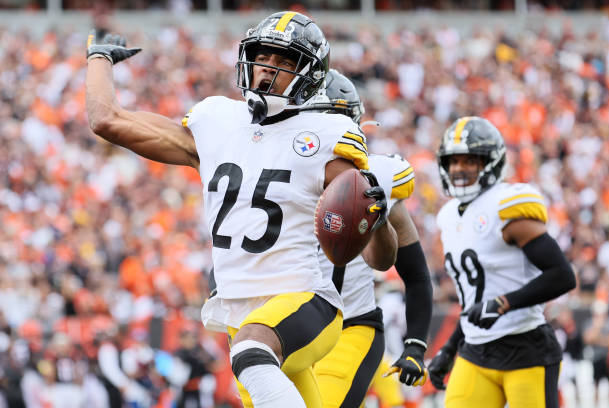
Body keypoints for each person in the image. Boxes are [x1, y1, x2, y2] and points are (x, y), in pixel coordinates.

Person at [85, 11, 394, 407]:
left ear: (311, 74)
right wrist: (99, 58)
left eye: (285, 62)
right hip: (239, 311)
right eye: (264, 57)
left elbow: (380, 258)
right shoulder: (217, 121)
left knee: (252, 351)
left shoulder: (325, 135)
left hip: (302, 299)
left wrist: (377, 218)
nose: (268, 70)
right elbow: (107, 120)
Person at [427, 117, 576, 408]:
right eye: (453, 161)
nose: (459, 169)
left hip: (526, 348)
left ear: (490, 163)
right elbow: (474, 298)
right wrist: (448, 348)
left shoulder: (506, 205)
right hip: (475, 351)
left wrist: (503, 303)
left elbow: (562, 275)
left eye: (469, 161)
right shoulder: (447, 216)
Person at [305, 69, 433, 407]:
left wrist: (416, 344)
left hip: (349, 327)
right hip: (288, 331)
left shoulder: (375, 178)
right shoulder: (272, 174)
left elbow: (414, 272)